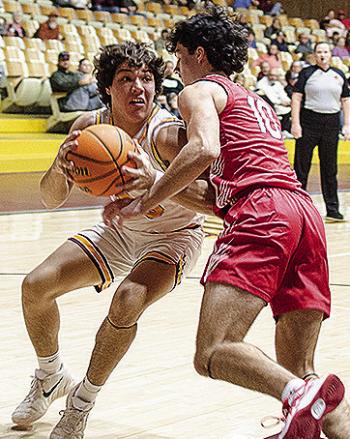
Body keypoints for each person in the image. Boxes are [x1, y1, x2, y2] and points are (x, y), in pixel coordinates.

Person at [116, 6, 350, 438]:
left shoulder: (200, 91)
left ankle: (296, 396)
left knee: (213, 350)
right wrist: (154, 178)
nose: (178, 68)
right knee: (300, 372)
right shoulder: (254, 102)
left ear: (200, 55)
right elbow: (222, 196)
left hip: (262, 214)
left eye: (181, 56)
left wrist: (145, 200)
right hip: (301, 213)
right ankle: (309, 400)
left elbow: (204, 148)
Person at [11, 42, 211, 439]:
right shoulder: (89, 127)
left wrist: (156, 184)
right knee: (35, 286)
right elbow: (52, 198)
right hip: (120, 231)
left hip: (172, 236)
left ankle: (81, 403)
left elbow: (213, 201)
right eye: (126, 79)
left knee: (127, 300)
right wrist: (60, 164)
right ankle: (50, 376)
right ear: (107, 88)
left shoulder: (170, 135)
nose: (138, 87)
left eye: (147, 78)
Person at [291, 42, 350, 223]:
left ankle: (333, 210)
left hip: (331, 124)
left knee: (330, 169)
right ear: (314, 55)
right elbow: (296, 98)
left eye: (325, 51)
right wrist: (296, 123)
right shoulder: (307, 73)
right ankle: (297, 209)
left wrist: (347, 124)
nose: (322, 55)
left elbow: (346, 101)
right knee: (301, 167)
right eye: (319, 52)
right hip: (309, 122)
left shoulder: (339, 75)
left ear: (330, 54)